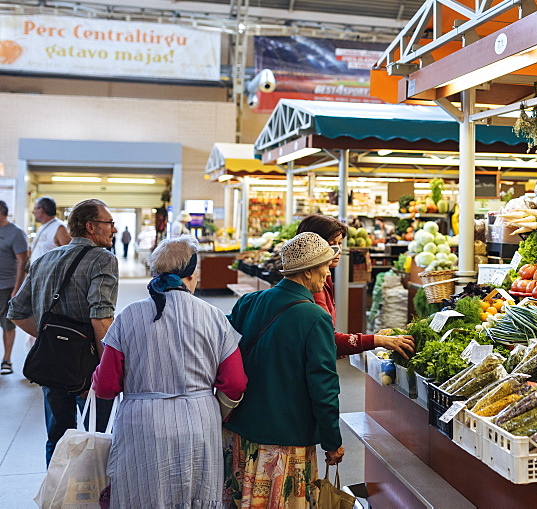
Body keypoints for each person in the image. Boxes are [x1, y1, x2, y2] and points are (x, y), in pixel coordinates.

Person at [92, 235, 247, 508]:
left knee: (141, 495)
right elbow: (234, 383)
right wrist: (213, 410)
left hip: (141, 426)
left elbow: (105, 387)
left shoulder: (129, 315)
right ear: (191, 275)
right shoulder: (214, 317)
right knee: (195, 496)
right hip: (199, 423)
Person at [223, 232, 345, 508]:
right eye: (325, 265)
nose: (328, 272)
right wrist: (331, 441)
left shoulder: (249, 302)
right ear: (308, 271)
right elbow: (324, 387)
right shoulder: (315, 317)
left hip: (243, 433)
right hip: (288, 443)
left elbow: (224, 353)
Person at [8, 198, 118, 465]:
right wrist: (107, 367)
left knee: (57, 437)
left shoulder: (44, 259)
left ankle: (57, 498)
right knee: (96, 437)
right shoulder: (103, 259)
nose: (114, 229)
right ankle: (93, 501)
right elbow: (101, 319)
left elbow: (17, 312)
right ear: (91, 226)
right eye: (109, 223)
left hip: (50, 363)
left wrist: (51, 338)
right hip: (88, 367)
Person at [296, 214, 414, 359]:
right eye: (332, 243)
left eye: (339, 243)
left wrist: (338, 346)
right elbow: (327, 340)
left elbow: (326, 338)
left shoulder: (324, 277)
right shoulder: (313, 286)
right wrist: (379, 340)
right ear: (314, 245)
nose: (338, 250)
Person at [0, 200, 28, 375]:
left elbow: (22, 263)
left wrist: (16, 289)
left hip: (6, 286)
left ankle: (7, 360)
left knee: (7, 324)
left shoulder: (15, 233)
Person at [29, 197, 70, 265]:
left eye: (35, 208)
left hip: (50, 274)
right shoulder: (42, 227)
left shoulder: (59, 228)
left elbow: (70, 254)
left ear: (42, 210)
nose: (33, 212)